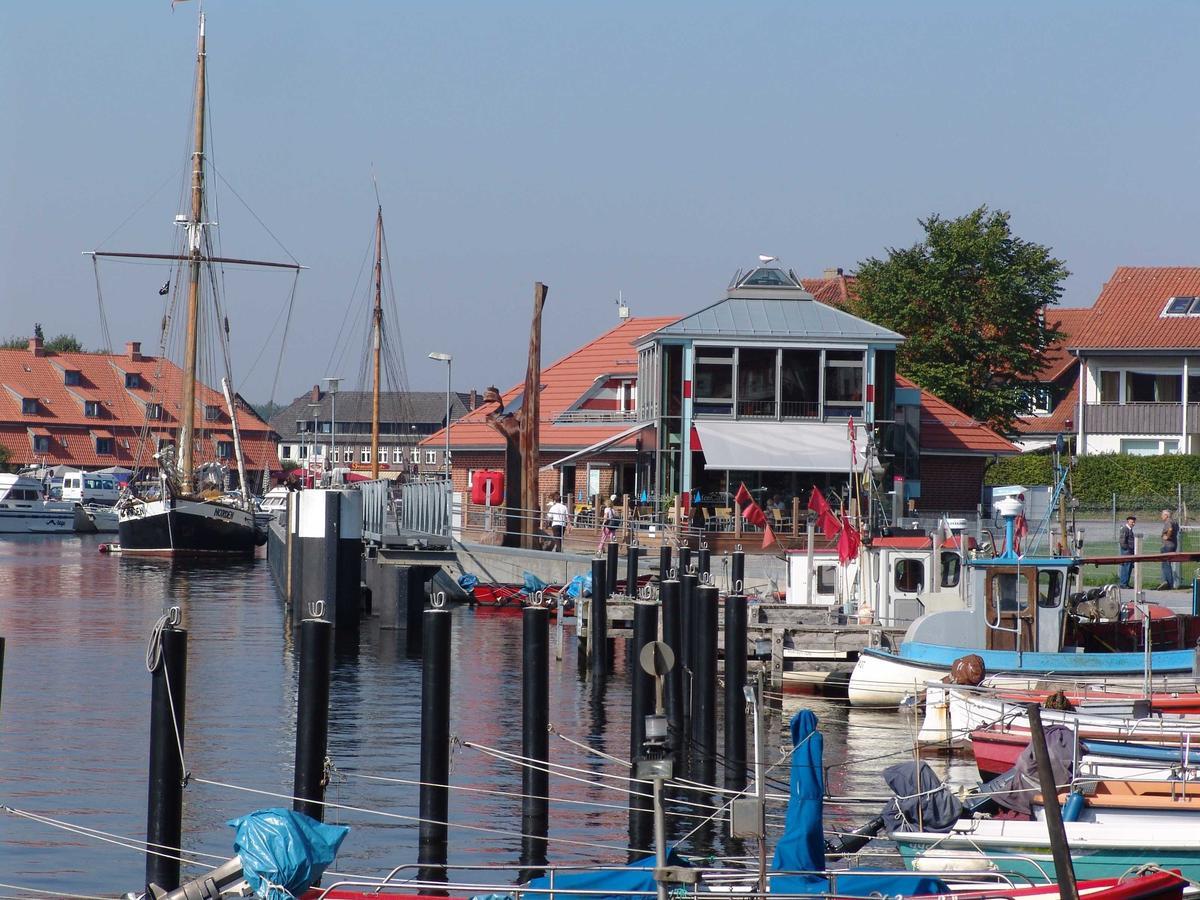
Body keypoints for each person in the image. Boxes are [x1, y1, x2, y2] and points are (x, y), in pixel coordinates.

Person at [1159, 508, 1180, 590]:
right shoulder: (1175, 522)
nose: (1161, 517)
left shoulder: (1168, 521)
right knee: (1167, 564)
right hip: (1174, 544)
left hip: (1167, 546)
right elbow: (1176, 530)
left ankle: (1168, 583)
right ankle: (1166, 582)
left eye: (1162, 515)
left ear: (1166, 515)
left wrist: (1167, 536)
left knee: (1165, 564)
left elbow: (1170, 529)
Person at [1117, 515, 1136, 589]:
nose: (1133, 524)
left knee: (1129, 567)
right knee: (1126, 567)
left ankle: (1126, 583)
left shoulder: (1130, 530)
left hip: (1130, 551)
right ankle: (1123, 583)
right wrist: (1127, 549)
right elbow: (1122, 541)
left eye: (1134, 522)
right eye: (1132, 522)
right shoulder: (1125, 529)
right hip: (1127, 552)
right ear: (1128, 521)